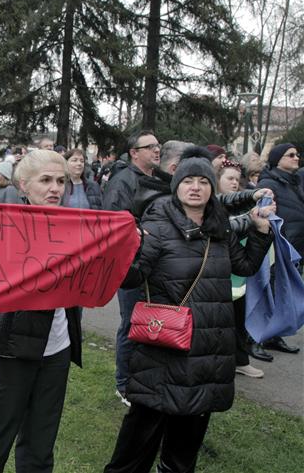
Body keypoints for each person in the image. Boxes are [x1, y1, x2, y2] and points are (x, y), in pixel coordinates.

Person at [103, 149, 273, 473]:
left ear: (212, 187)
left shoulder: (219, 230)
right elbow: (131, 279)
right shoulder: (157, 225)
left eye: (202, 181)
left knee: (181, 458)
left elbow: (247, 266)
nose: (195, 187)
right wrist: (127, 249)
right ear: (177, 186)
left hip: (207, 357)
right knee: (134, 452)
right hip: (162, 357)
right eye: (187, 181)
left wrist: (260, 233)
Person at [0, 150, 82, 473]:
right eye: (45, 181)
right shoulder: (2, 225)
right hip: (13, 347)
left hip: (58, 347)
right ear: (23, 185)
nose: (55, 188)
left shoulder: (75, 226)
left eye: (60, 181)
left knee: (40, 443)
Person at [103, 130, 161, 406]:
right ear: (134, 153)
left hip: (151, 262)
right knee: (131, 324)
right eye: (150, 147)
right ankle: (123, 384)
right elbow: (113, 221)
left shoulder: (153, 180)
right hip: (130, 264)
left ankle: (141, 378)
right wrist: (140, 233)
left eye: (158, 146)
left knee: (147, 322)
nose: (156, 150)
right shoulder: (122, 180)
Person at [216, 159, 266, 378]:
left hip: (239, 271)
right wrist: (252, 220)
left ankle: (240, 359)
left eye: (238, 179)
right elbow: (227, 229)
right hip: (220, 272)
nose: (235, 183)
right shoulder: (213, 207)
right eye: (230, 178)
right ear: (217, 181)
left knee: (238, 318)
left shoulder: (246, 204)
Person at [256, 143, 303, 355]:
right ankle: (257, 339)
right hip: (278, 247)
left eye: (297, 154)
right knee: (271, 293)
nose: (296, 157)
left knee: (283, 294)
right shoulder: (268, 183)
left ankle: (274, 336)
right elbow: (264, 215)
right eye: (290, 155)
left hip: (295, 247)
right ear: (278, 160)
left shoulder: (294, 182)